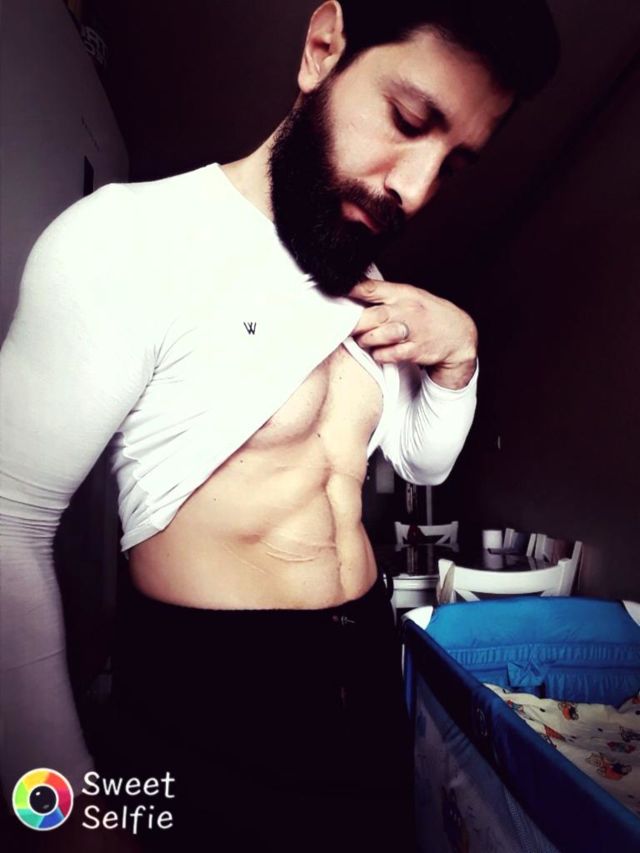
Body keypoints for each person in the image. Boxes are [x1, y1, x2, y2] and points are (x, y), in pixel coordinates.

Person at [0, 1, 559, 849]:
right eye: (409, 121)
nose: (416, 190)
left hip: (366, 677)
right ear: (322, 49)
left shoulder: (364, 280)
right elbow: (8, 522)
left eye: (452, 164)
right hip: (212, 702)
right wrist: (59, 810)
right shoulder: (129, 240)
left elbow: (422, 463)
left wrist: (460, 359)